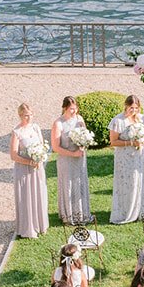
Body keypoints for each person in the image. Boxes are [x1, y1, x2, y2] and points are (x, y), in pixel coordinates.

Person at [108, 94, 144, 223]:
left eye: (136, 108)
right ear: (126, 106)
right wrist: (131, 143)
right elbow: (113, 142)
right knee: (127, 183)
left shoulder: (141, 119)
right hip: (125, 158)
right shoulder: (118, 121)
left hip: (140, 156)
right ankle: (126, 210)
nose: (133, 111)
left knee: (140, 181)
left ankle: (141, 209)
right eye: (131, 108)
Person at [10, 102, 48, 239]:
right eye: (26, 116)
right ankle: (28, 228)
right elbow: (13, 155)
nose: (29, 118)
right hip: (23, 169)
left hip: (37, 168)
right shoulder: (17, 132)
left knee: (39, 193)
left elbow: (43, 146)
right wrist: (29, 161)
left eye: (31, 115)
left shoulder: (36, 128)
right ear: (20, 116)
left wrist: (40, 158)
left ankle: (40, 224)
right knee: (26, 197)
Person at [51, 95, 90, 225]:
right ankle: (68, 215)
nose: (73, 111)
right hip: (66, 160)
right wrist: (72, 154)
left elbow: (85, 135)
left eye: (75, 108)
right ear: (64, 108)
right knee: (68, 185)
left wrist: (83, 146)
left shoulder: (79, 119)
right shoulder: (58, 123)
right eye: (70, 109)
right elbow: (56, 147)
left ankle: (82, 212)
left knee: (80, 184)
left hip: (79, 158)